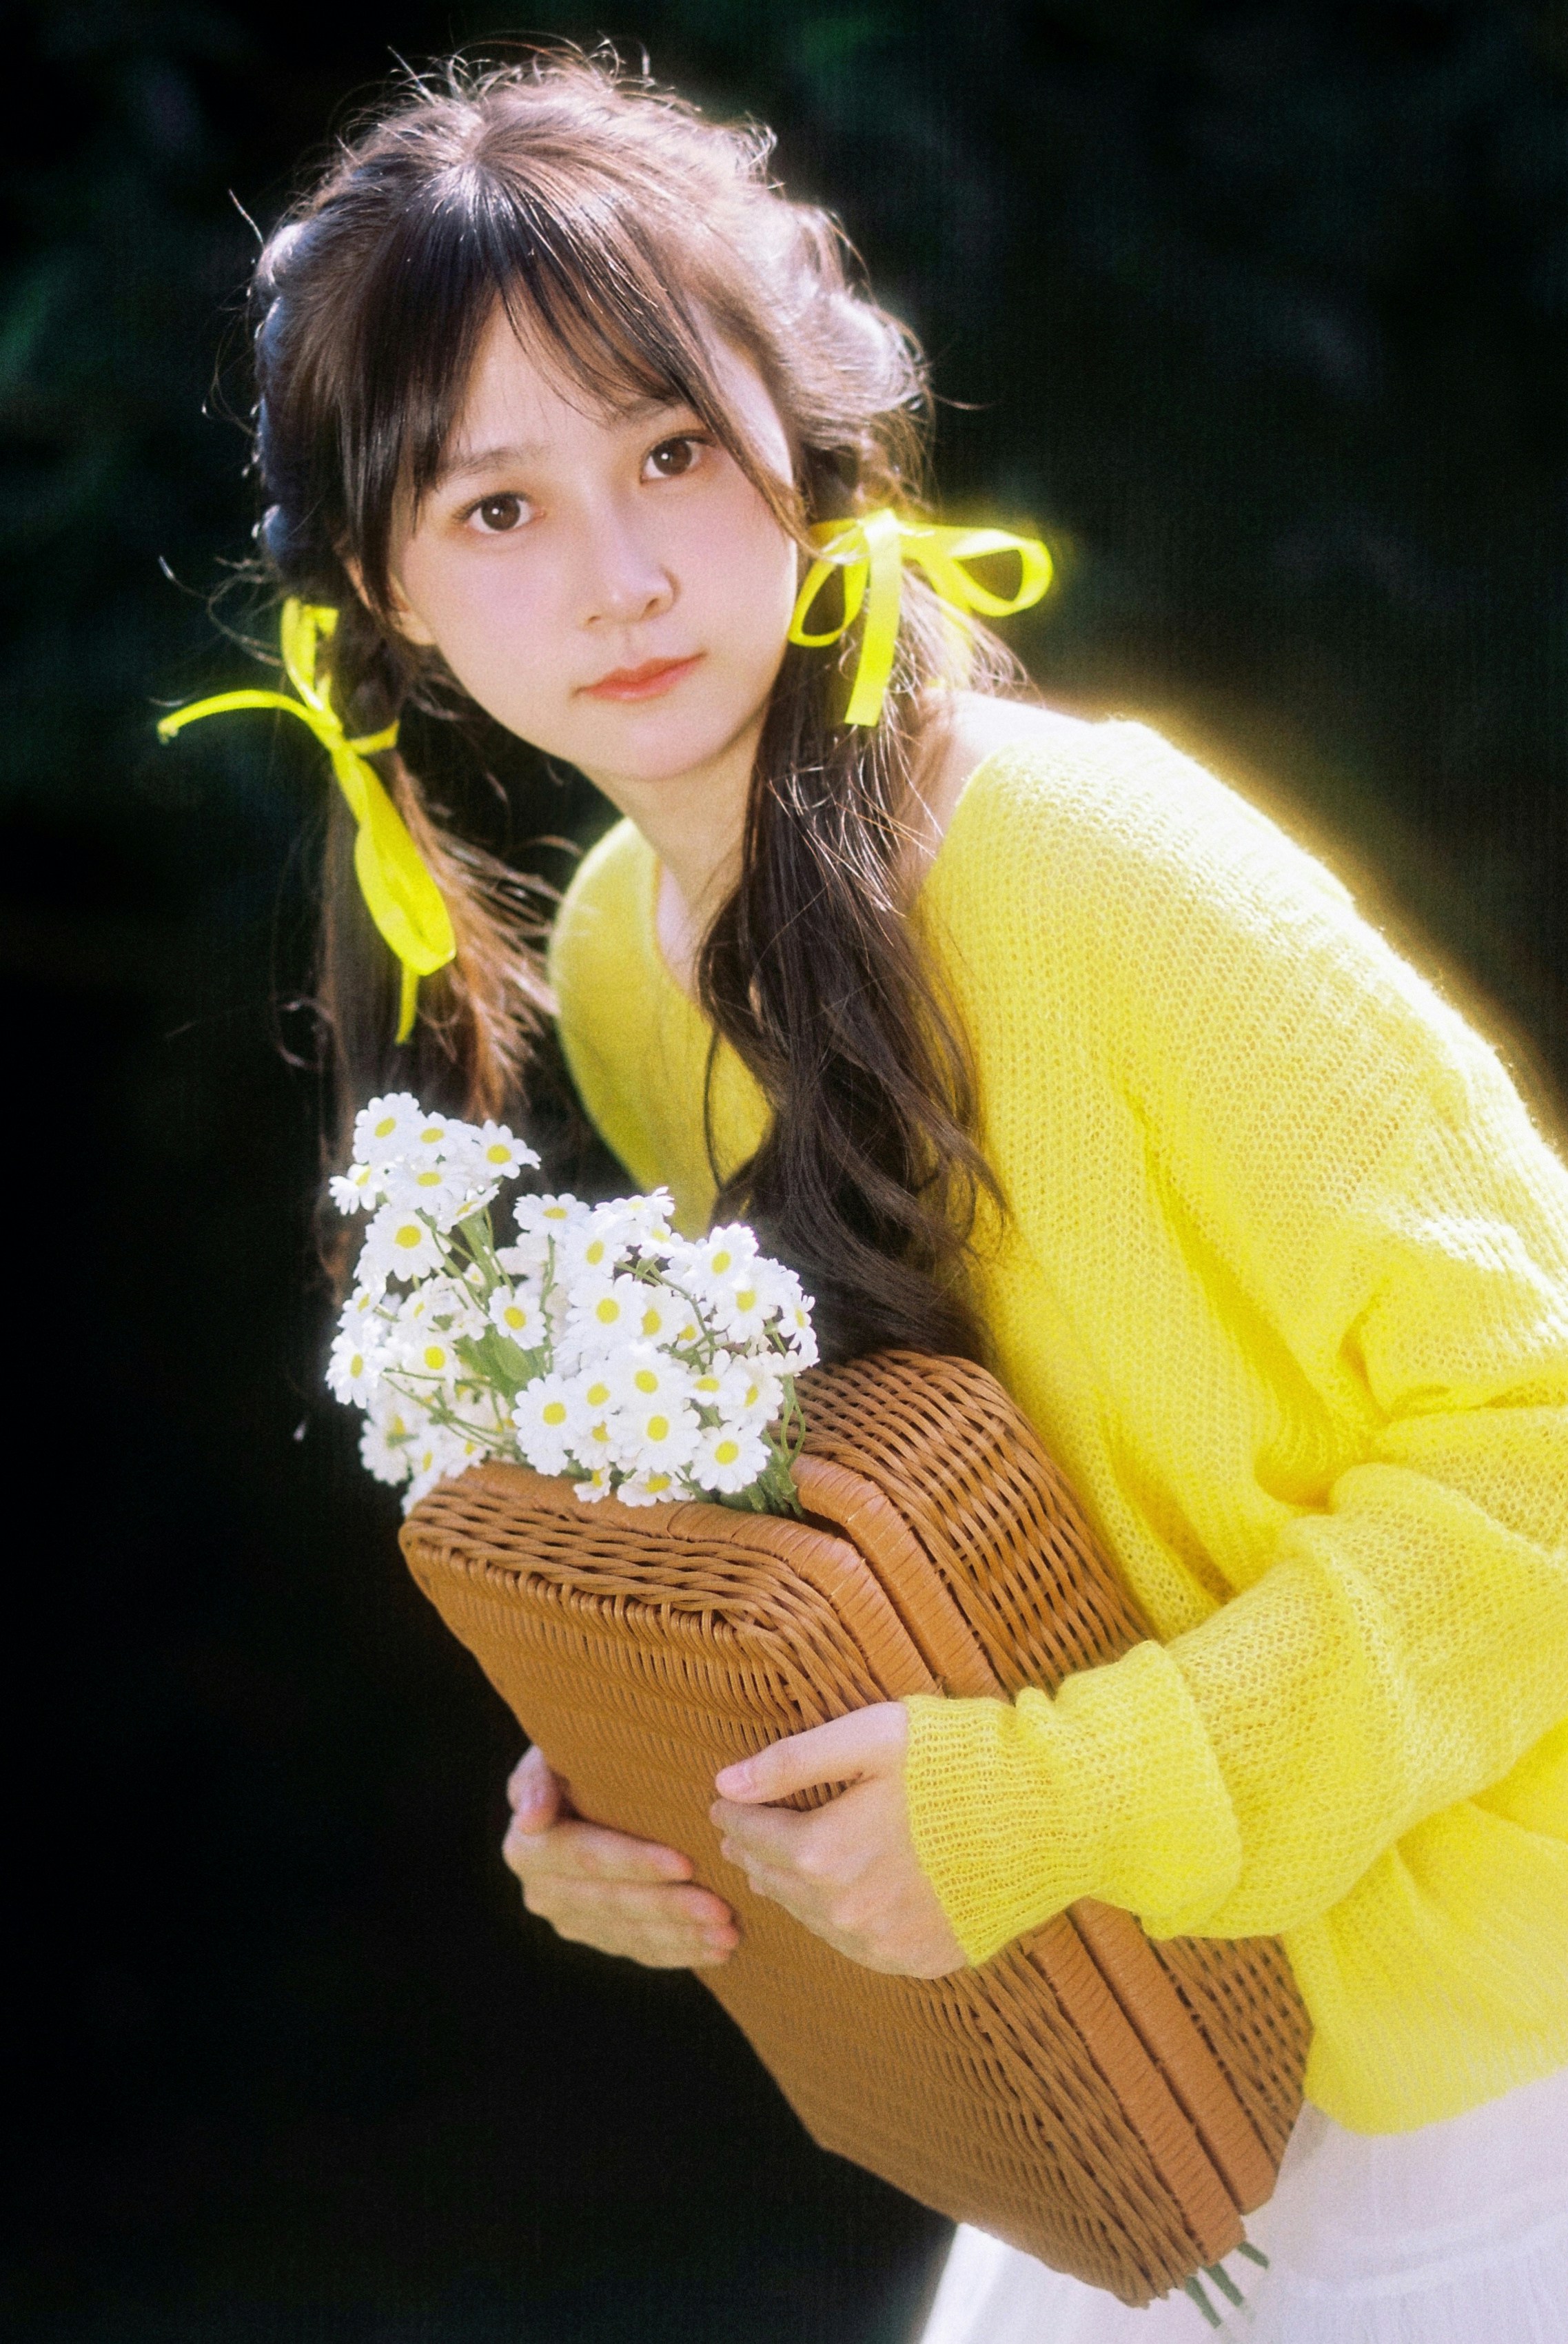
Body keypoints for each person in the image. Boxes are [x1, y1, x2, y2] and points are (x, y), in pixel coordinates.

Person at [201, 48, 1568, 2340]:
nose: (622, 573)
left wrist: (1047, 1798)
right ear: (387, 591)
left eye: (671, 450)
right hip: (1146, 2040)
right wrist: (658, 1784)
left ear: (809, 453)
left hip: (1488, 2024)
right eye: (497, 508)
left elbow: (1542, 1465)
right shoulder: (638, 951)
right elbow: (900, 1532)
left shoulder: (1090, 863)